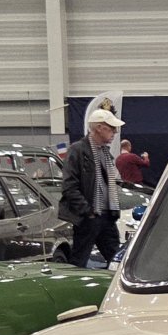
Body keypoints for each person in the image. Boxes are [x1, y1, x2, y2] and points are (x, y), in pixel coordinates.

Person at [59, 108, 123, 267]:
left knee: (119, 260)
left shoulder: (105, 153)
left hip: (107, 216)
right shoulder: (78, 150)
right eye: (111, 128)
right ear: (99, 128)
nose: (114, 132)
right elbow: (69, 186)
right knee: (79, 261)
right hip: (89, 217)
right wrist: (87, 211)